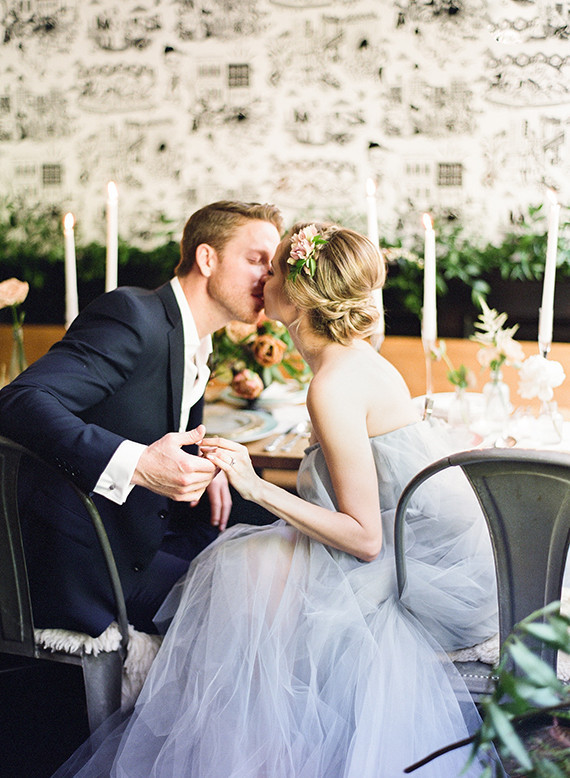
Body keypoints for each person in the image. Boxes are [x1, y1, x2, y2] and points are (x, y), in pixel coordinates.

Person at [53, 222, 499, 777]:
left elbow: (364, 539)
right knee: (243, 563)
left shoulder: (333, 383)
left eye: (276, 266)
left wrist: (256, 484)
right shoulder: (349, 358)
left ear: (300, 293)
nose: (265, 277)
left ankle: (240, 755)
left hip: (423, 575)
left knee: (237, 567)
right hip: (424, 552)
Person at [0, 200, 283, 637]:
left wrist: (207, 463)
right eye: (255, 260)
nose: (269, 275)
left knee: (282, 552)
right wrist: (135, 464)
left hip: (150, 536)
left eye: (273, 263)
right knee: (259, 605)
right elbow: (20, 400)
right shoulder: (134, 315)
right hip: (84, 566)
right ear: (207, 258)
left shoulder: (196, 340)